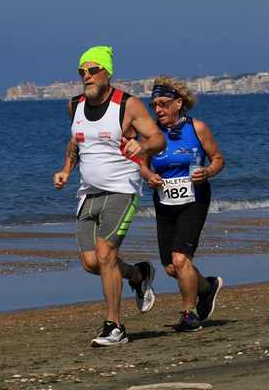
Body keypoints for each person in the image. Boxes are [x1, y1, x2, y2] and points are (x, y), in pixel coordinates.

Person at [53, 46, 166, 347]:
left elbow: (157, 138)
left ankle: (115, 327)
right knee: (91, 262)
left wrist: (142, 147)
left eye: (92, 71)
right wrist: (65, 169)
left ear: (107, 72)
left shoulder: (127, 105)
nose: (86, 77)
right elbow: (76, 141)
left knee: (105, 255)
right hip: (87, 193)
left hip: (122, 188)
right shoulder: (74, 105)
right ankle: (138, 275)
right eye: (82, 72)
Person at [140, 76, 225, 332]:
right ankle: (207, 288)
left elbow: (218, 158)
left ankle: (189, 314)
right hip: (164, 201)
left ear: (178, 103)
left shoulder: (197, 128)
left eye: (164, 103)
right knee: (170, 267)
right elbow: (142, 163)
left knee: (180, 259)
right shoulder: (152, 134)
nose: (158, 110)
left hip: (195, 199)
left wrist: (208, 172)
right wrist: (149, 176)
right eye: (154, 105)